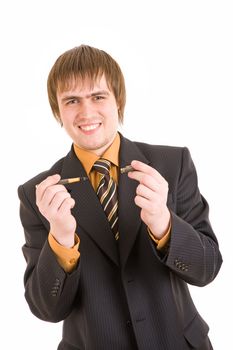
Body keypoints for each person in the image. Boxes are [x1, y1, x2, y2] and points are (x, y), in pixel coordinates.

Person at [18, 44, 222, 350]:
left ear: (118, 101)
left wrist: (164, 224)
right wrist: (60, 240)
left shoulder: (172, 164)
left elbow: (207, 269)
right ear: (58, 110)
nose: (86, 113)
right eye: (72, 100)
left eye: (98, 97)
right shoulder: (39, 195)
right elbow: (47, 309)